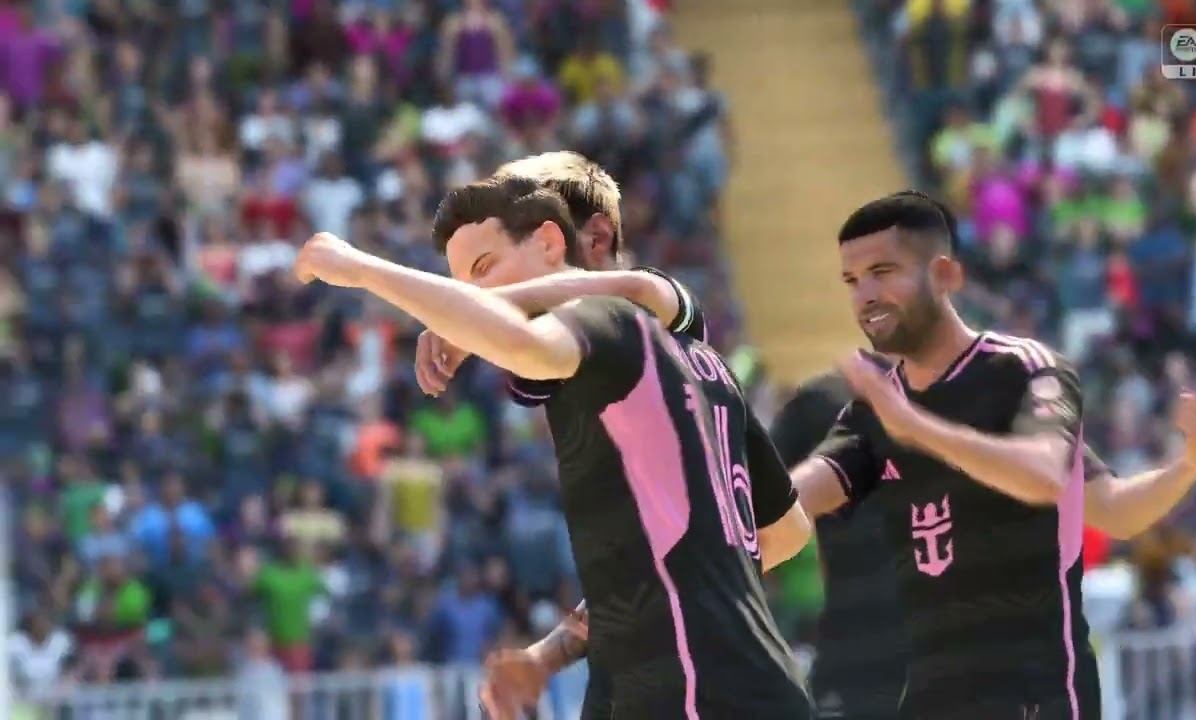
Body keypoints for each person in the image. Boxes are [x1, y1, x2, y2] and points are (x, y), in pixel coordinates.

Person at [293, 178, 813, 719]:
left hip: (695, 689)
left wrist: (360, 270)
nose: (471, 300)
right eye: (464, 288)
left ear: (547, 242)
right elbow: (784, 530)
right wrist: (555, 650)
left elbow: (522, 339)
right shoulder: (706, 367)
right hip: (721, 681)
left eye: (483, 270)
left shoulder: (603, 319)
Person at [788, 191, 1196, 719]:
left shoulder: (1024, 370)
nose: (866, 296)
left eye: (882, 272)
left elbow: (1086, 496)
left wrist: (1187, 466)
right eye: (853, 281)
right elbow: (788, 502)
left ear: (943, 275)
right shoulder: (874, 412)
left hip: (1037, 696)